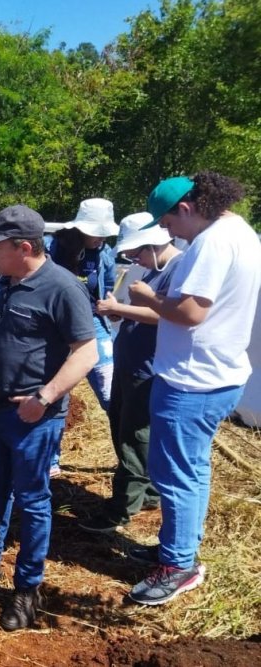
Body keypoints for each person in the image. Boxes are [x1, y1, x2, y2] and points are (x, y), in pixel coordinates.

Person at [0, 205, 97, 631]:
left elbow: (87, 351)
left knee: (32, 500)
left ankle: (27, 589)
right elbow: (0, 340)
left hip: (32, 418)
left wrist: (44, 398)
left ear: (24, 247)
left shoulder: (63, 288)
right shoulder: (9, 283)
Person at [126, 172, 261, 606]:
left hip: (191, 380)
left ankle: (178, 565)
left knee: (174, 475)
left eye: (166, 222)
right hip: (217, 374)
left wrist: (147, 296)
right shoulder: (240, 231)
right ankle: (179, 547)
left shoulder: (211, 243)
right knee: (193, 470)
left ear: (185, 208)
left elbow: (189, 312)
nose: (166, 231)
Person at [79, 212, 182, 534]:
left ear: (153, 243)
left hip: (147, 368)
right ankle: (147, 493)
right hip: (132, 363)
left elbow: (169, 315)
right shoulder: (154, 268)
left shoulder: (177, 269)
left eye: (137, 251)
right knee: (125, 426)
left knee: (134, 436)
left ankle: (121, 508)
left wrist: (118, 309)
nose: (134, 258)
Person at [47, 198, 118, 477]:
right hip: (59, 329)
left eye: (103, 232)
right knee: (56, 392)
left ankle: (131, 461)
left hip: (94, 327)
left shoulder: (106, 254)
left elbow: (107, 289)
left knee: (111, 394)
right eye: (94, 231)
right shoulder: (56, 247)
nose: (99, 236)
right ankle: (50, 460)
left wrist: (111, 307)